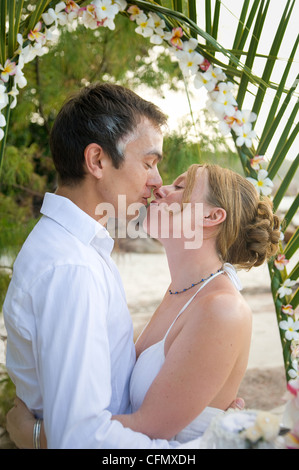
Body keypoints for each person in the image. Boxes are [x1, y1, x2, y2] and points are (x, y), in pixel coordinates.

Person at [3, 82, 243, 450]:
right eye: (148, 163)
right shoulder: (71, 268)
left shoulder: (84, 253)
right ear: (97, 160)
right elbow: (81, 438)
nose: (157, 182)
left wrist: (210, 423)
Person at [6, 161, 280, 448]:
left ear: (211, 216)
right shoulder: (182, 293)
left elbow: (145, 429)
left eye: (180, 187)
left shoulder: (223, 309)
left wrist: (38, 435)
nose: (161, 189)